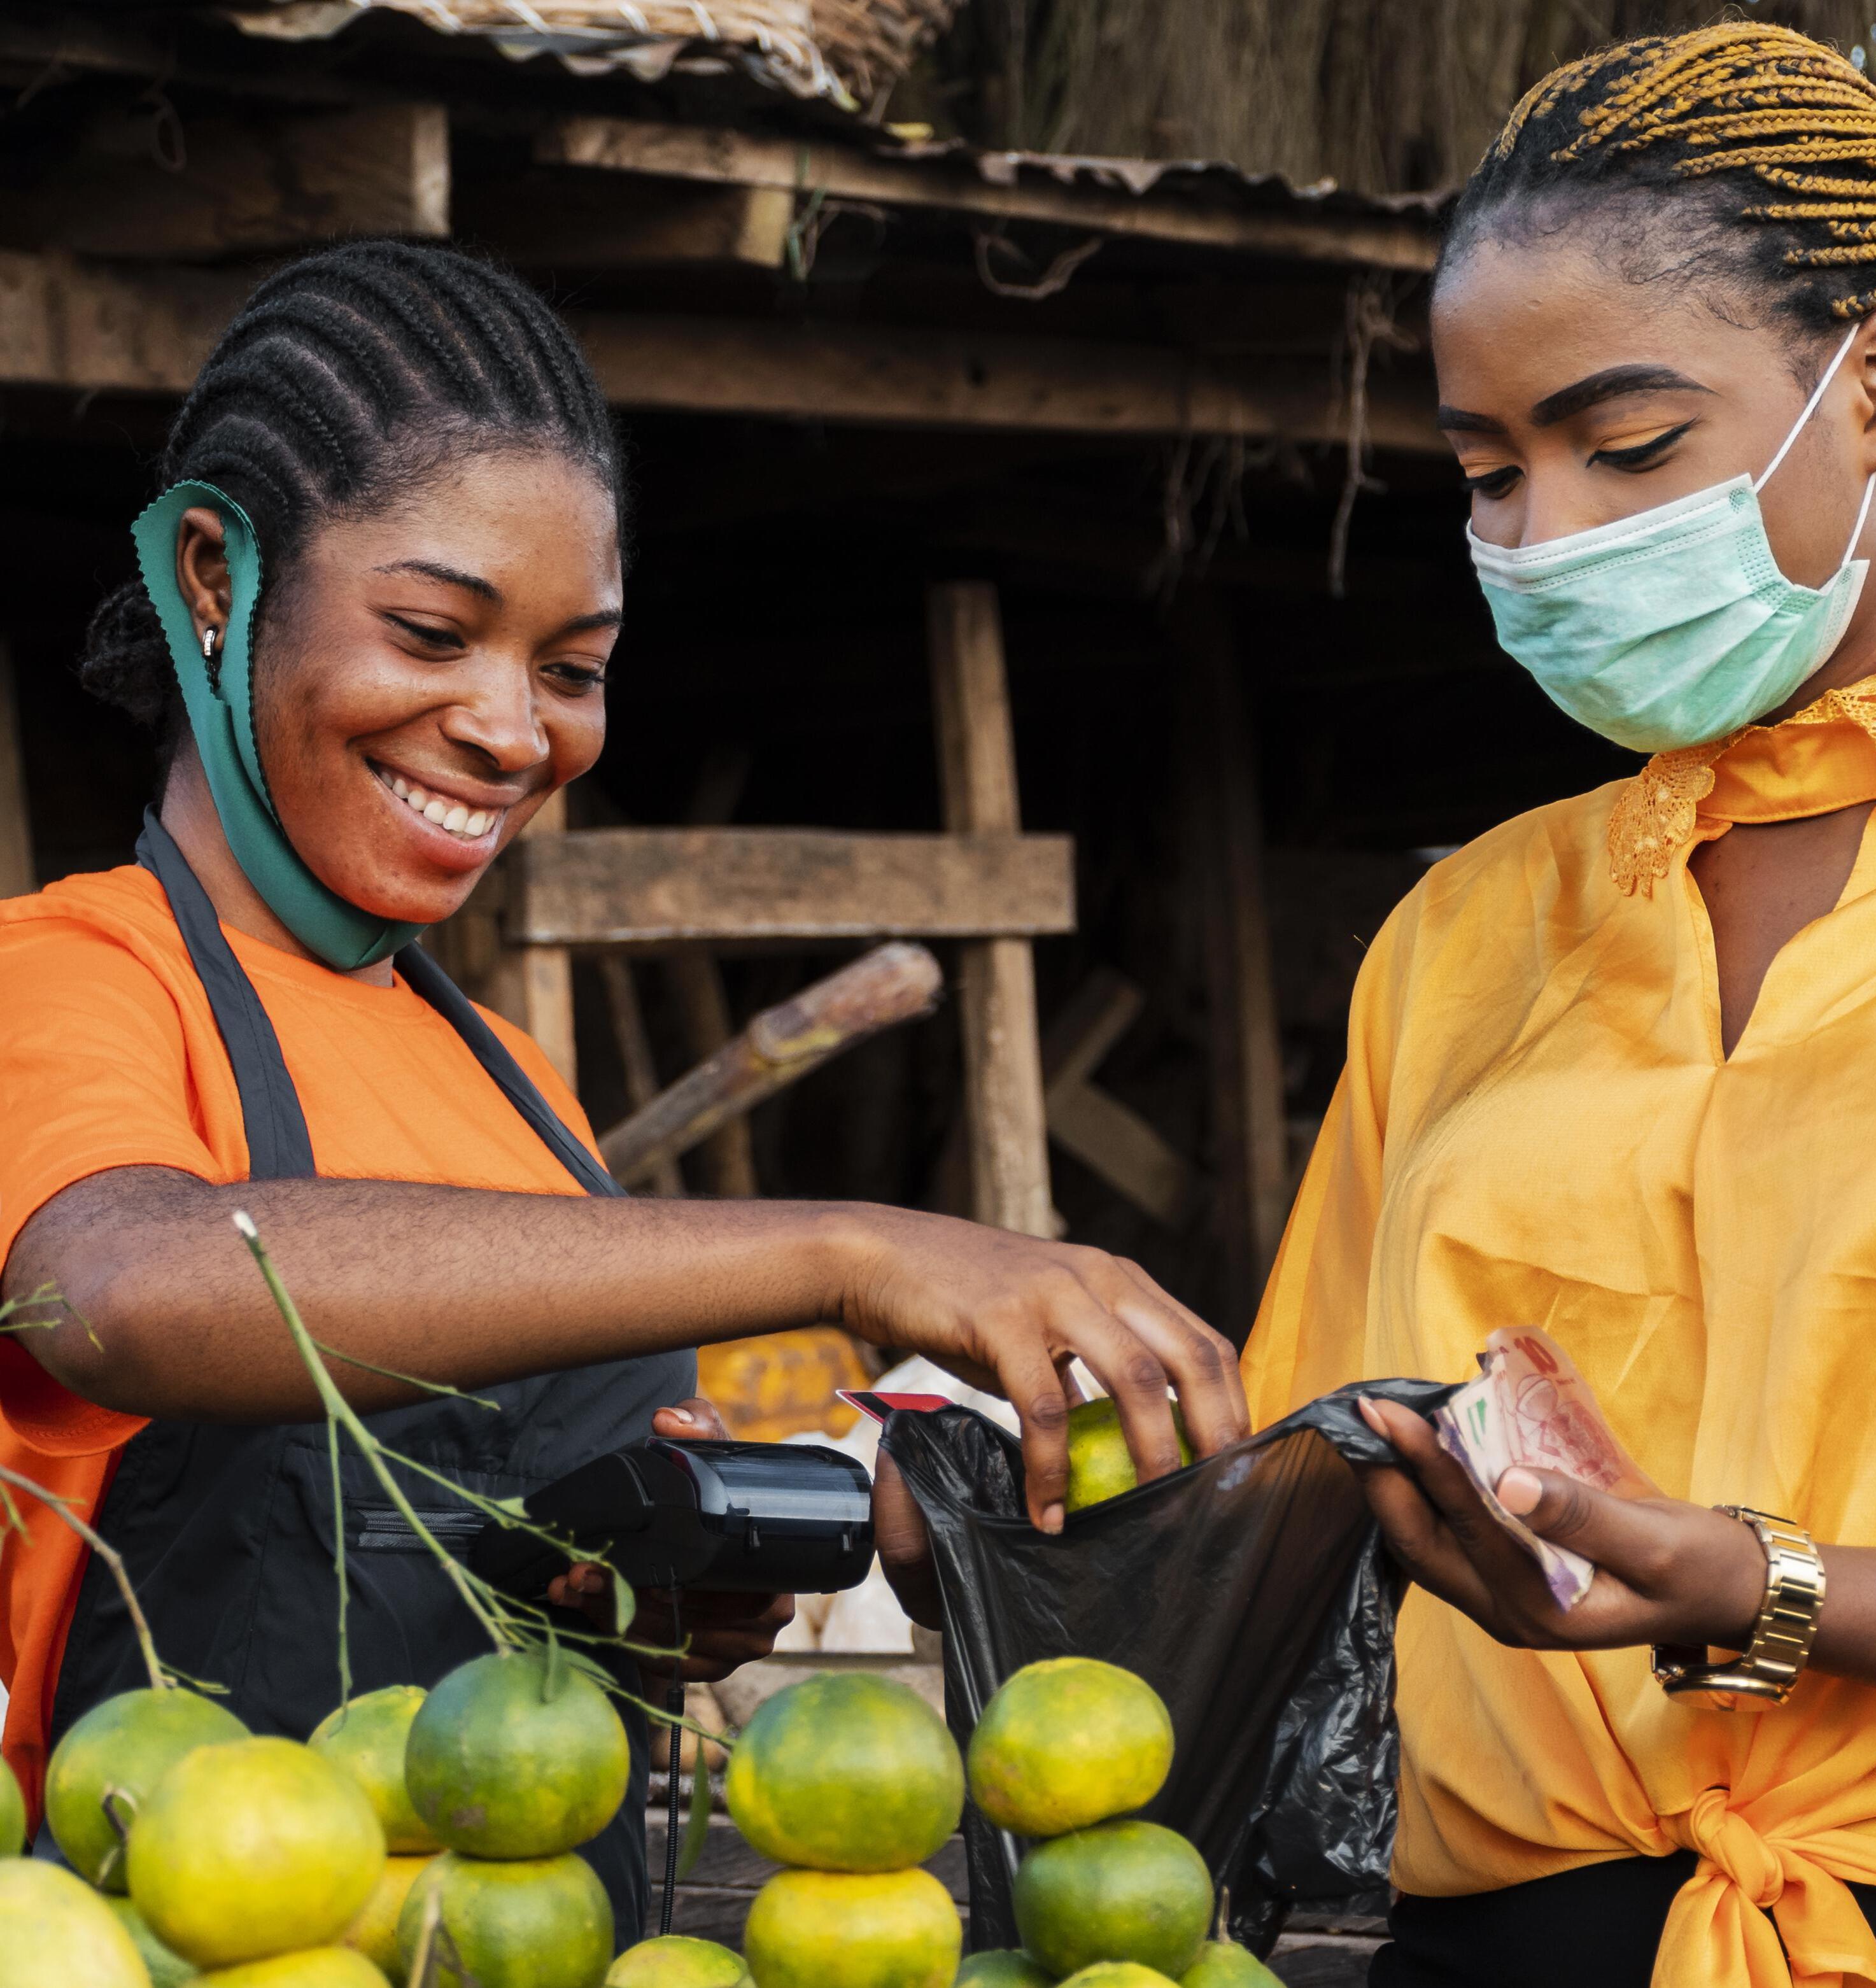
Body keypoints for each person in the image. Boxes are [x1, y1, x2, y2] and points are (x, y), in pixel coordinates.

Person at [0, 239, 1245, 1935]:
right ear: (213, 577)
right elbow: (126, 1288)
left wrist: (632, 1610)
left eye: (572, 670)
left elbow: (496, 1620)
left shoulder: (512, 1084)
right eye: (435, 630)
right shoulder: (73, 972)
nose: (513, 730)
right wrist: (852, 1250)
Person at [1241, 26, 1876, 1988]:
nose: (1549, 536)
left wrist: (1767, 1586)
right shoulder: (1466, 931)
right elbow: (1299, 1487)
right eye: (1489, 473)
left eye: (1628, 447)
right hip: (1489, 1950)